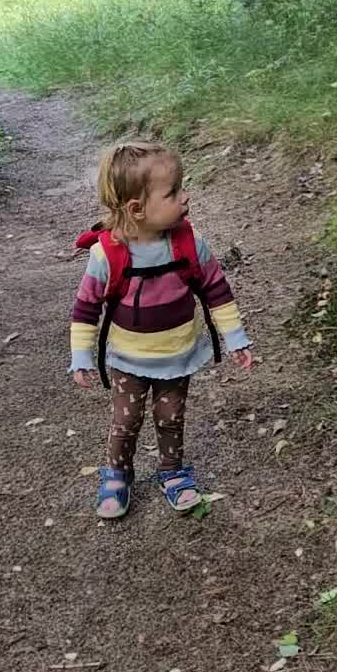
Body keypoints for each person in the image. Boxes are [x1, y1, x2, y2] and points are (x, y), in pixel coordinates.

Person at [71, 142, 252, 519]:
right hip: (129, 359)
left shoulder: (189, 245)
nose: (185, 197)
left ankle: (172, 471)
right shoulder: (107, 255)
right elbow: (86, 308)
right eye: (173, 192)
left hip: (177, 355)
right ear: (137, 208)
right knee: (126, 420)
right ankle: (117, 474)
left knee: (171, 417)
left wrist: (235, 337)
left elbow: (217, 289)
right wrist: (80, 356)